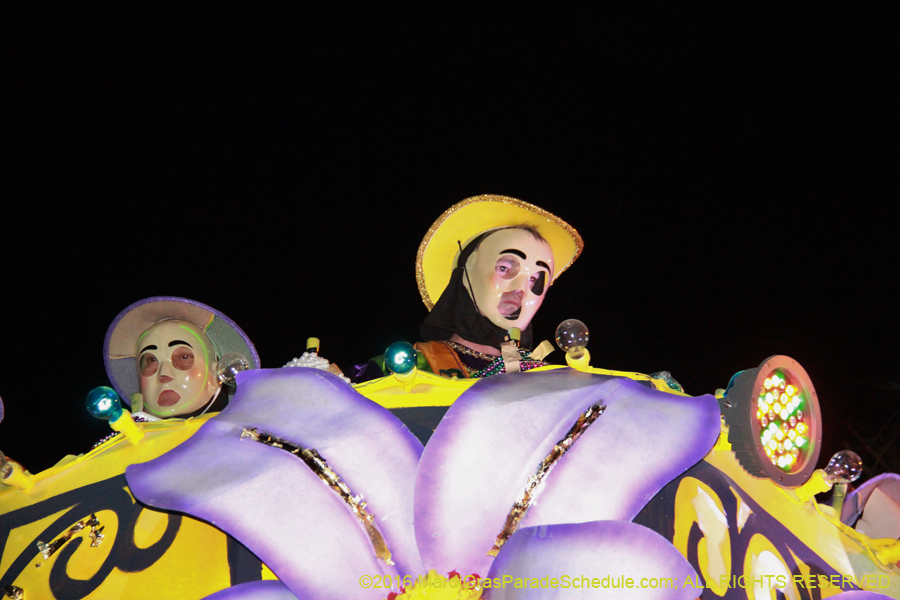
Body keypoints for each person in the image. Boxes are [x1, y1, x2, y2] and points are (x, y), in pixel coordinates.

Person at [351, 194, 582, 381]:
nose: (521, 288)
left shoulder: (551, 383)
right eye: (504, 268)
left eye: (535, 280)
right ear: (468, 271)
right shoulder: (400, 370)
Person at [104, 297, 260, 419]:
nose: (164, 374)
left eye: (183, 357)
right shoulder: (116, 455)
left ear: (218, 371)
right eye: (151, 360)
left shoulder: (256, 439)